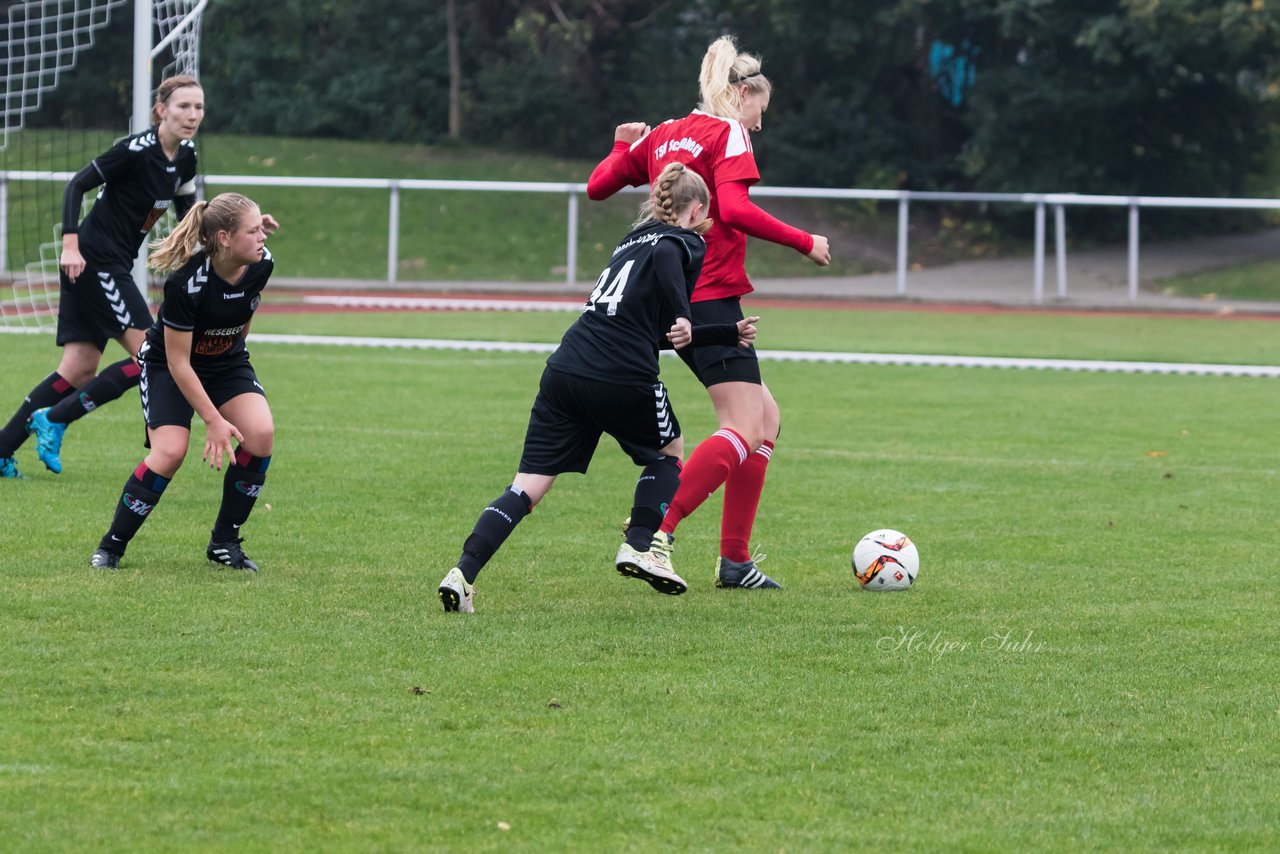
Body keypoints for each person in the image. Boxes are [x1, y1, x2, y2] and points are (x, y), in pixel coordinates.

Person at [439, 162, 759, 613]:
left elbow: (653, 329)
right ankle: (639, 544)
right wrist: (684, 312)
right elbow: (670, 273)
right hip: (622, 373)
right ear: (698, 209)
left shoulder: (628, 243)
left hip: (567, 367)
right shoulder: (683, 240)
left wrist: (725, 333)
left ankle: (463, 573)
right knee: (669, 454)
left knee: (525, 486)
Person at [586, 35, 831, 590]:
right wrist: (803, 241)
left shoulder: (667, 135)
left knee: (766, 419)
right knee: (743, 424)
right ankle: (653, 535)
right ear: (741, 93)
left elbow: (599, 186)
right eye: (759, 110)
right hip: (709, 295)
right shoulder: (729, 132)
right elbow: (737, 208)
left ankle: (735, 562)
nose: (760, 125)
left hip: (673, 294)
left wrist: (621, 147)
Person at [89, 193, 275, 572]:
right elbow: (177, 361)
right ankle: (111, 546)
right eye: (253, 230)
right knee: (170, 452)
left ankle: (224, 542)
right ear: (224, 238)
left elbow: (243, 316)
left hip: (224, 361)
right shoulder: (187, 283)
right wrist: (212, 419)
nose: (263, 237)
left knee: (261, 435)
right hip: (168, 365)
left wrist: (231, 363)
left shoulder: (262, 265)